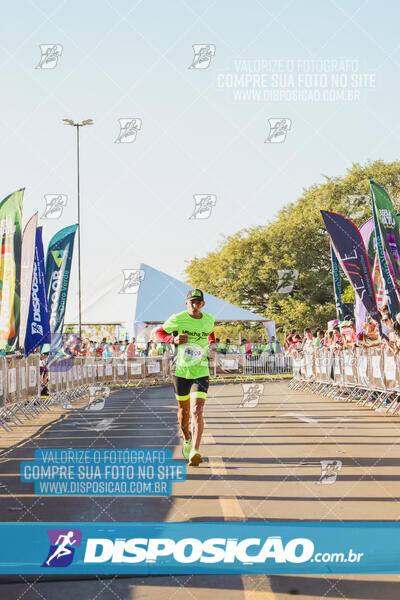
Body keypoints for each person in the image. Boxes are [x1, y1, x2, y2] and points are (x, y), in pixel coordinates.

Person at [156, 289, 215, 466]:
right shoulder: (178, 318)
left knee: (197, 410)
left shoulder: (209, 319)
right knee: (184, 412)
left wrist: (213, 345)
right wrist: (172, 340)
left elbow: (211, 334)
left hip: (201, 370)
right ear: (186, 303)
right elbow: (159, 332)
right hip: (181, 371)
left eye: (198, 302)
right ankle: (187, 438)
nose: (195, 305)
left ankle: (195, 450)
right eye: (192, 302)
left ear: (203, 304)